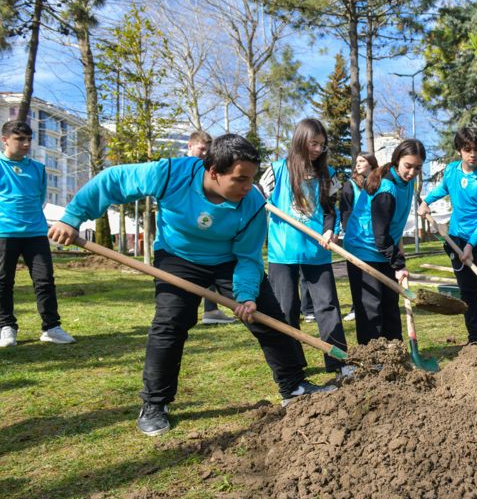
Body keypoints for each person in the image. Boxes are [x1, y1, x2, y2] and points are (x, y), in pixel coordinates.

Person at [48, 134, 335, 437]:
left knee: (269, 317)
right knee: (171, 321)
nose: (248, 187)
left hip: (229, 259)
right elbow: (114, 180)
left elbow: (249, 257)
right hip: (178, 256)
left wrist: (247, 296)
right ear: (214, 171)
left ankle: (294, 386)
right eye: (240, 179)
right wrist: (73, 217)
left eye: (251, 179)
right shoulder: (172, 173)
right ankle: (155, 403)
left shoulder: (252, 203)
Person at [261, 118, 349, 377]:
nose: (318, 149)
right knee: (286, 309)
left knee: (328, 306)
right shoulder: (276, 170)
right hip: (282, 251)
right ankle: (291, 368)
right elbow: (255, 196)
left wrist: (329, 230)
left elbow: (330, 210)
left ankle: (339, 362)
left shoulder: (329, 174)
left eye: (322, 145)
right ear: (300, 140)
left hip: (317, 250)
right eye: (313, 143)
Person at [418, 127, 477, 360]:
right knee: (467, 292)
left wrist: (472, 245)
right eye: (467, 150)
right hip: (456, 239)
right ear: (459, 151)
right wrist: (427, 201)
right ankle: (474, 338)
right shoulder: (451, 171)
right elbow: (444, 188)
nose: (472, 154)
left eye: (476, 149)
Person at [0, 120, 75, 347]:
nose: (26, 144)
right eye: (19, 139)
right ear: (5, 140)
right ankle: (6, 327)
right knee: (3, 282)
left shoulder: (38, 169)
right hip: (4, 233)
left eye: (28, 139)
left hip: (35, 233)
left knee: (44, 281)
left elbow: (40, 200)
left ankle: (51, 327)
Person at [343, 140, 425, 345]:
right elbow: (380, 235)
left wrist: (398, 256)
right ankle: (373, 359)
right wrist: (398, 264)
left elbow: (391, 227)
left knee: (390, 302)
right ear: (397, 161)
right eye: (408, 166)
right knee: (371, 306)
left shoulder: (407, 182)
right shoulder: (386, 190)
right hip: (363, 247)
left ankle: (395, 351)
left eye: (418, 167)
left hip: (384, 245)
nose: (412, 172)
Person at [186, 131, 236, 325]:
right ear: (189, 147)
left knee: (213, 267)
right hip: (187, 238)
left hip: (209, 229)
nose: (205, 154)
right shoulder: (178, 171)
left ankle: (212, 310)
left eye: (209, 151)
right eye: (202, 149)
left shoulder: (210, 171)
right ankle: (207, 311)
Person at [339, 152, 378, 322]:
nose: (357, 165)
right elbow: (345, 212)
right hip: (356, 238)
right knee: (358, 276)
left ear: (371, 163)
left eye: (362, 161)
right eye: (356, 162)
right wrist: (350, 233)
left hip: (375, 239)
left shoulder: (379, 183)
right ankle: (356, 307)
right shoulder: (351, 185)